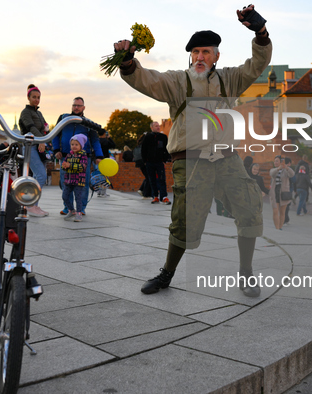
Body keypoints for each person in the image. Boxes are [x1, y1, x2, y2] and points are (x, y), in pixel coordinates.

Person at [115, 4, 272, 297]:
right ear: (191, 55)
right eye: (196, 52)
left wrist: (260, 32)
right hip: (191, 161)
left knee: (250, 210)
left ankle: (247, 272)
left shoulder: (230, 79)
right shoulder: (177, 81)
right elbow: (147, 79)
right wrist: (127, 62)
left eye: (206, 52)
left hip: (227, 159)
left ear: (216, 56)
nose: (200, 57)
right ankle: (167, 273)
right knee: (185, 221)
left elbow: (258, 64)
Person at [53, 96, 104, 214]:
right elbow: (55, 134)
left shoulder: (88, 123)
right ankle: (68, 208)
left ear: (83, 107)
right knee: (66, 182)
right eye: (74, 105)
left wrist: (99, 156)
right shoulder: (63, 119)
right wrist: (56, 150)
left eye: (79, 106)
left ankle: (81, 209)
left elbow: (95, 141)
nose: (76, 107)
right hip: (66, 155)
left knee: (83, 183)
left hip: (84, 157)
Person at [19, 84, 49, 217]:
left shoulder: (39, 112)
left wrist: (45, 135)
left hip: (37, 146)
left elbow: (44, 126)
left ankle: (34, 205)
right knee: (41, 175)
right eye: (34, 97)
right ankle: (30, 205)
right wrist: (42, 139)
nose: (37, 100)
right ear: (28, 97)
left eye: (38, 97)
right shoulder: (26, 112)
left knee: (38, 177)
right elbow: (31, 128)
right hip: (30, 146)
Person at [142, 121, 171, 205]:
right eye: (156, 126)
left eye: (158, 126)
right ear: (152, 128)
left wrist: (165, 159)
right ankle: (155, 196)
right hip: (149, 162)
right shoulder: (147, 137)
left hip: (159, 162)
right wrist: (145, 161)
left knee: (162, 179)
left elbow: (167, 148)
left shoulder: (163, 137)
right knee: (152, 180)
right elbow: (143, 149)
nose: (158, 127)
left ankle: (164, 197)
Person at [61, 134, 88, 222]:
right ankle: (71, 210)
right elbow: (64, 165)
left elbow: (82, 167)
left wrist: (70, 165)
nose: (74, 146)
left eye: (76, 144)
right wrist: (64, 166)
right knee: (65, 196)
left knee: (78, 197)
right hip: (68, 180)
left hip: (78, 180)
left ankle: (79, 213)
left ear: (81, 145)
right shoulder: (69, 155)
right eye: (72, 144)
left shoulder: (83, 155)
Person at [270, 156, 294, 229]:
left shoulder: (286, 171)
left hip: (284, 192)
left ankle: (280, 226)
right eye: (274, 161)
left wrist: (286, 167)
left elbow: (292, 174)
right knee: (275, 211)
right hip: (275, 192)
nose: (275, 162)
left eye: (277, 161)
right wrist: (278, 169)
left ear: (281, 162)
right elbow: (272, 174)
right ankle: (277, 227)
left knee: (282, 211)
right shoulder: (273, 170)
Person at [97, 129, 116, 197]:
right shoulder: (106, 141)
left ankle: (98, 191)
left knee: (98, 176)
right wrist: (109, 138)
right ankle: (103, 192)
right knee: (104, 176)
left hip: (97, 160)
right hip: (105, 160)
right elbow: (113, 145)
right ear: (105, 133)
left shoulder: (97, 141)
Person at [134, 133, 152, 199]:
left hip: (139, 163)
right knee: (149, 177)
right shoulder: (146, 144)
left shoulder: (139, 144)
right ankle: (146, 194)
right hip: (145, 162)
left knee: (148, 177)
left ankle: (141, 190)